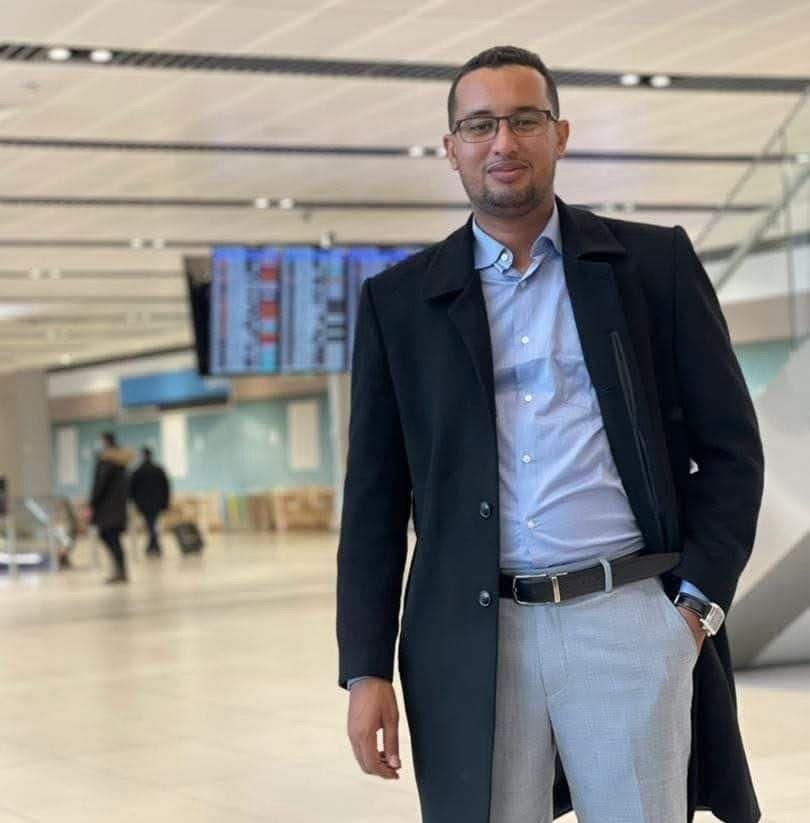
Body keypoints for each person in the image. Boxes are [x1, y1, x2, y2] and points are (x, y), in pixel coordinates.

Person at [336, 45, 764, 823]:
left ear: (559, 134)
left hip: (627, 616)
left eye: (524, 121)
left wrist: (693, 611)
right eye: (480, 125)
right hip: (473, 636)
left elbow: (732, 450)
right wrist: (366, 668)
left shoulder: (651, 265)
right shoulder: (399, 304)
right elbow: (373, 499)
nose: (503, 142)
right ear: (451, 148)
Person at [88, 432, 133, 584]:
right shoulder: (122, 465)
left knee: (110, 537)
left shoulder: (106, 463)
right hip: (118, 507)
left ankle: (120, 571)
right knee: (113, 539)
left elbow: (99, 486)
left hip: (107, 509)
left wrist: (92, 504)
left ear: (105, 442)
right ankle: (120, 570)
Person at [129, 447, 171, 557]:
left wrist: (133, 501)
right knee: (152, 523)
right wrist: (165, 502)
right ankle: (153, 546)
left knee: (150, 524)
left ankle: (153, 546)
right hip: (157, 502)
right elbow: (166, 487)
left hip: (144, 504)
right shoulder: (158, 470)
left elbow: (131, 489)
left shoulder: (138, 471)